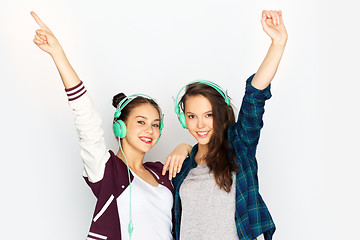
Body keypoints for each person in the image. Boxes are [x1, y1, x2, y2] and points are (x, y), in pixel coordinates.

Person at [31, 11, 190, 240]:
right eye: (141, 122)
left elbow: (205, 161)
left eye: (155, 124)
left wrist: (184, 147)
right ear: (120, 127)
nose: (150, 130)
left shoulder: (161, 172)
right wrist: (58, 54)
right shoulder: (106, 170)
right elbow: (86, 118)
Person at [162, 10, 288, 240]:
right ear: (183, 119)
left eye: (208, 115)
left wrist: (278, 44)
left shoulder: (239, 147)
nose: (200, 124)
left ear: (220, 115)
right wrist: (184, 147)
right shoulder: (182, 166)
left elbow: (255, 95)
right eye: (191, 116)